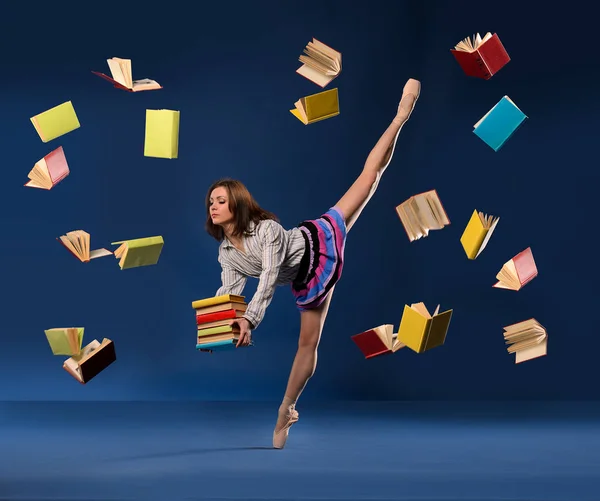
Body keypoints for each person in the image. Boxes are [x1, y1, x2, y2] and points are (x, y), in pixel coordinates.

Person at [205, 78, 421, 449]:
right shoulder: (226, 252)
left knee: (369, 179)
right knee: (308, 344)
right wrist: (217, 327)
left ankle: (399, 117)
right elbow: (229, 290)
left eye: (221, 200)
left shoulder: (267, 230)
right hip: (304, 280)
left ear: (238, 204)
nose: (213, 206)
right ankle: (287, 410)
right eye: (211, 201)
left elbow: (270, 277)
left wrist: (250, 319)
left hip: (317, 243)